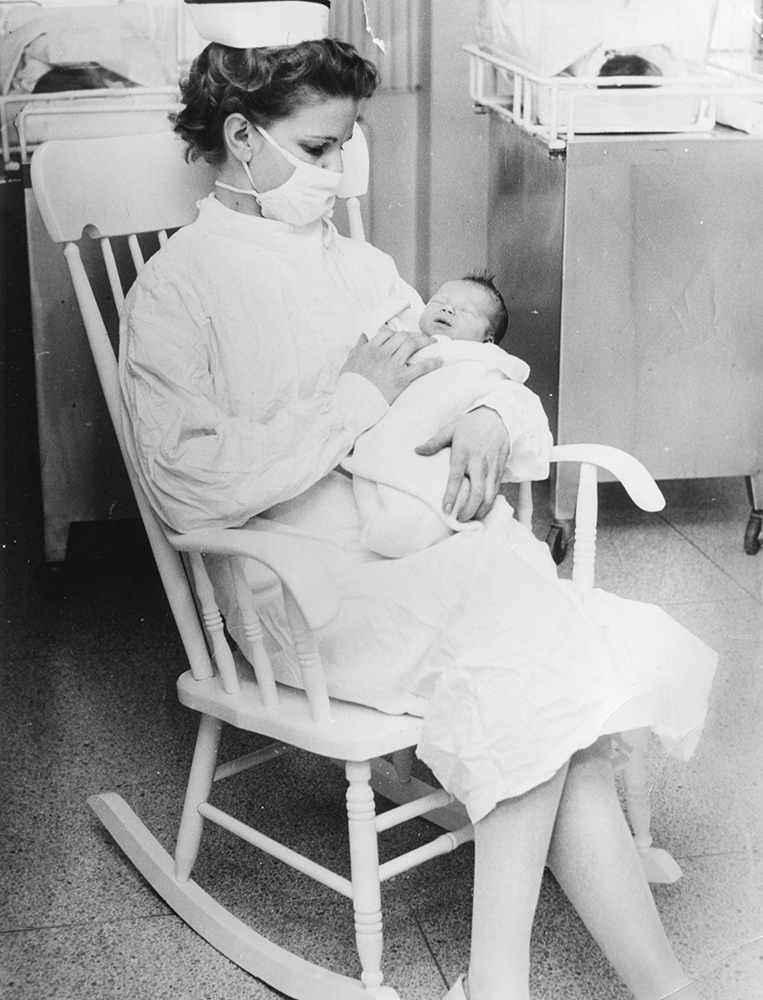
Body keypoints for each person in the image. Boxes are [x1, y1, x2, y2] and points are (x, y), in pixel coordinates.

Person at [118, 25, 717, 1000]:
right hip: (289, 585)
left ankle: (589, 987)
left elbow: (451, 366)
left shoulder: (356, 268)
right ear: (240, 137)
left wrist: (485, 410)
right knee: (545, 659)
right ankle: (555, 983)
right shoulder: (178, 289)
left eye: (346, 143)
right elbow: (191, 486)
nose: (338, 169)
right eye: (317, 148)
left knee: (540, 666)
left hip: (405, 554)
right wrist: (351, 399)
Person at [343, 274, 544, 558]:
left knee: (438, 495)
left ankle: (422, 529)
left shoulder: (482, 359)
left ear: (488, 339)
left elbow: (513, 390)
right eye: (440, 302)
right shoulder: (402, 337)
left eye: (466, 311)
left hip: (441, 443)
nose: (448, 309)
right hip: (392, 441)